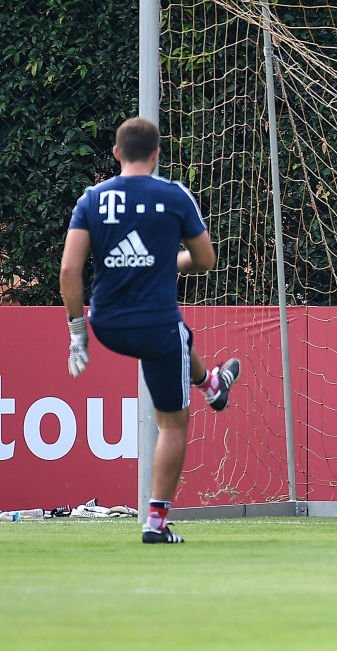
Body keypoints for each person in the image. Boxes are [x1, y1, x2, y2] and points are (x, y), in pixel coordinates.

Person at [60, 116, 241, 544]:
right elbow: (205, 261)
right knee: (173, 423)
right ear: (157, 154)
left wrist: (77, 331)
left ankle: (211, 382)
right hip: (157, 328)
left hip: (107, 325)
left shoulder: (92, 198)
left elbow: (69, 270)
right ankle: (155, 524)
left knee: (180, 340)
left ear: (117, 153)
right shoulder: (174, 195)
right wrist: (166, 262)